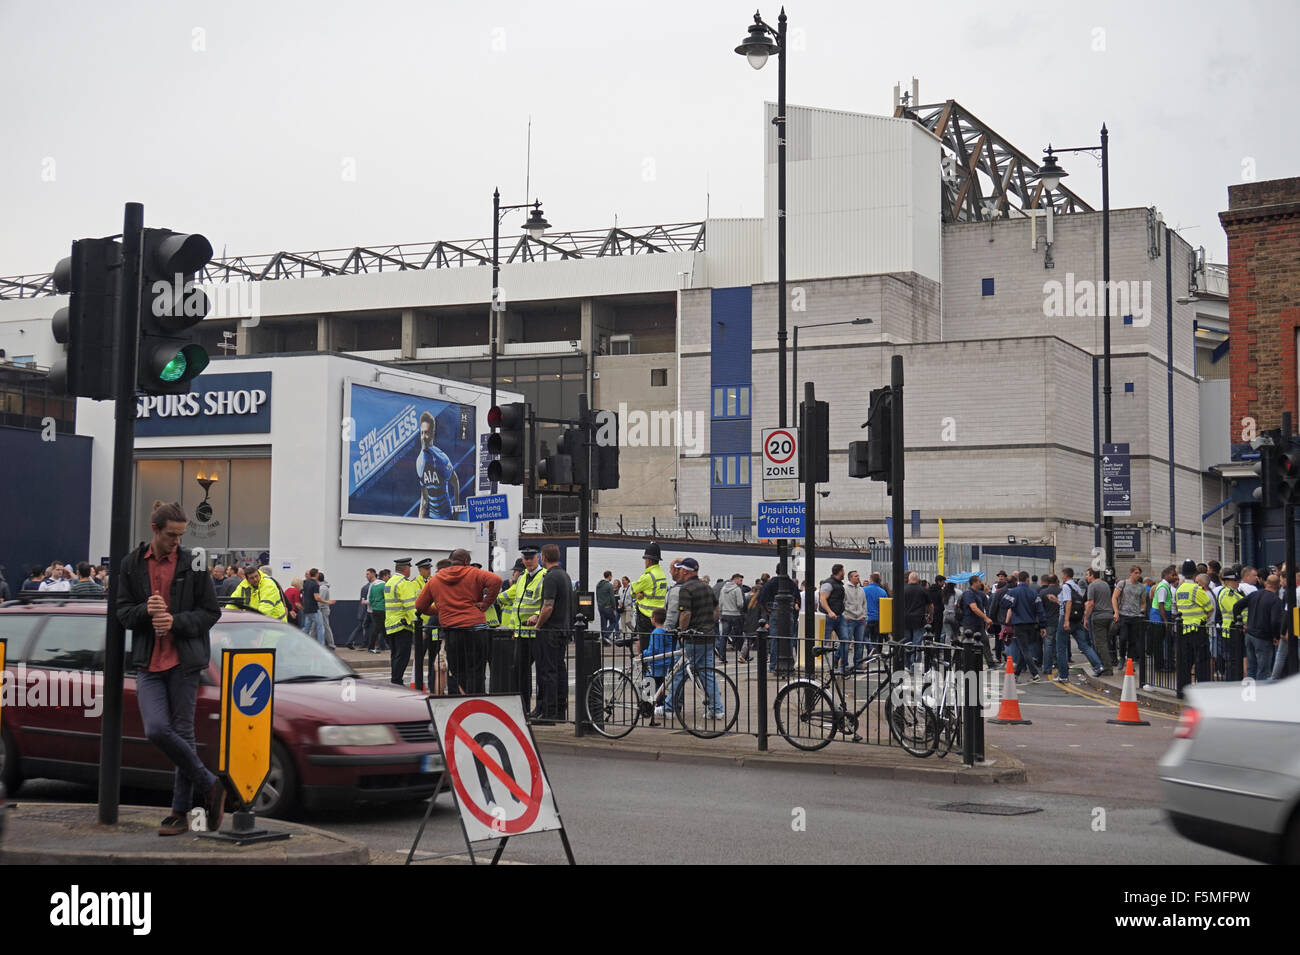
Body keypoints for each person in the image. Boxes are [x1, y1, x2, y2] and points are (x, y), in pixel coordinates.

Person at [116, 501, 225, 836]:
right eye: (171, 535)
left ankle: (180, 812)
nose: (177, 541)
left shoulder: (194, 562)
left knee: (183, 733)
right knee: (156, 729)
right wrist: (144, 611)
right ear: (155, 530)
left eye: (181, 535)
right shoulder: (132, 563)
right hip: (149, 661)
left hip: (184, 660)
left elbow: (211, 612)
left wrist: (175, 621)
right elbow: (122, 612)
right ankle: (210, 783)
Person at [415, 549, 501, 696]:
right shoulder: (473, 572)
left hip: (453, 630)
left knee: (457, 670)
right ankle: (477, 702)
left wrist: (442, 610)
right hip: (476, 628)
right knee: (476, 670)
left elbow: (420, 605)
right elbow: (496, 581)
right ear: (466, 561)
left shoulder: (435, 580)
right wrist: (486, 603)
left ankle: (466, 699)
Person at [666, 558, 723, 718]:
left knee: (679, 672)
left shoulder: (686, 588)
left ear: (685, 571)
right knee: (707, 673)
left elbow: (685, 613)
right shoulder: (707, 587)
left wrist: (682, 632)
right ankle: (717, 709)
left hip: (693, 638)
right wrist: (708, 622)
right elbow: (716, 608)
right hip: (709, 637)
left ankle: (670, 707)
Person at [529, 544, 572, 720]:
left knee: (547, 672)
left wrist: (538, 625)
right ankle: (559, 711)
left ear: (543, 557)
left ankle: (547, 712)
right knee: (559, 671)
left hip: (550, 631)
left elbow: (548, 606)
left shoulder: (551, 578)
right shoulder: (564, 575)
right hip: (562, 629)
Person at [511, 547, 547, 713]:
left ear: (538, 557)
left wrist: (537, 615)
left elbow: (548, 602)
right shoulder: (522, 577)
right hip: (520, 633)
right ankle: (523, 708)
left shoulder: (544, 576)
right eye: (525, 558)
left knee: (541, 673)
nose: (528, 561)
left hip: (536, 633)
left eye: (531, 557)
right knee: (520, 673)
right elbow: (513, 597)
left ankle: (541, 709)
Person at [1174, 562, 1214, 692]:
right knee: (1202, 661)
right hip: (1198, 629)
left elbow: (1177, 607)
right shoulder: (1196, 589)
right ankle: (1203, 691)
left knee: (1185, 662)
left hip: (1183, 629)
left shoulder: (1179, 589)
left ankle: (1183, 690)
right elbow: (1210, 607)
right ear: (1195, 573)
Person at [1058, 568, 1105, 679]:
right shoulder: (1077, 587)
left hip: (1067, 618)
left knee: (1061, 647)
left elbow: (1068, 602)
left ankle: (1063, 675)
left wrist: (1066, 620)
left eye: (1062, 575)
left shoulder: (1066, 586)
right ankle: (1098, 666)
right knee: (1084, 645)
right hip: (1077, 618)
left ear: (1065, 575)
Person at [416, 411, 460, 519]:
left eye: (426, 432)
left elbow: (455, 483)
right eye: (421, 433)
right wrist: (419, 520)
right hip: (432, 518)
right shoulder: (419, 461)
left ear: (432, 433)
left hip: (447, 517)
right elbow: (425, 496)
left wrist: (456, 514)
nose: (423, 437)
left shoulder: (441, 458)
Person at [383, 557, 421, 686]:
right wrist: (416, 623)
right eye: (410, 568)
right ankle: (397, 681)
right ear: (406, 568)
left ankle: (395, 680)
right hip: (402, 625)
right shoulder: (404, 583)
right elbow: (410, 606)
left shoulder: (389, 582)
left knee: (395, 655)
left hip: (390, 624)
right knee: (403, 656)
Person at [1237, 573, 1282, 681]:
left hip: (1249, 634)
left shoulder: (1254, 594)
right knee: (1263, 669)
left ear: (1267, 583)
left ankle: (1250, 693)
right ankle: (1260, 694)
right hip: (1263, 638)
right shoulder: (1275, 600)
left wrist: (1238, 622)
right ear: (1278, 585)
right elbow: (1275, 621)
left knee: (1251, 668)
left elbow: (1237, 606)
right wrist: (1276, 636)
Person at [1005, 571, 1045, 682]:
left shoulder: (1013, 592)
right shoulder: (1033, 593)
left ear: (1019, 580)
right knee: (1025, 649)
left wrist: (1013, 605)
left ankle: (1035, 673)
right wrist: (1042, 626)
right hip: (1031, 625)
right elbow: (1040, 611)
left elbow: (1004, 603)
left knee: (1025, 650)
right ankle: (1016, 674)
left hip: (1019, 624)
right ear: (1027, 580)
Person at [630, 542, 668, 654]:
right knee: (657, 645)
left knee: (645, 646)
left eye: (645, 559)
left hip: (645, 617)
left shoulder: (648, 577)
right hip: (658, 616)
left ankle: (646, 668)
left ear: (649, 561)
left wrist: (637, 594)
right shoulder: (662, 575)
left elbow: (632, 589)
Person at [1112, 564, 1148, 665]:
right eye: (1136, 573)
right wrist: (1116, 612)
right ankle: (1122, 657)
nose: (1137, 575)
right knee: (1123, 638)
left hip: (1135, 616)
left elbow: (1143, 601)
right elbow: (1114, 597)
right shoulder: (1122, 583)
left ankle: (1129, 662)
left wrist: (1142, 610)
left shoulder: (1141, 587)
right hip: (1123, 615)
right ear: (1131, 573)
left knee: (1133, 641)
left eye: (1139, 573)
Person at [1214, 567, 1245, 681]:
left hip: (1234, 630)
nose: (1238, 582)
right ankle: (1230, 685)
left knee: (1234, 662)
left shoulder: (1236, 592)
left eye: (1238, 580)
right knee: (1232, 662)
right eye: (1235, 581)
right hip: (1231, 631)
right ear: (1227, 581)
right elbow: (1234, 609)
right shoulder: (1228, 593)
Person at [642, 608, 672, 723]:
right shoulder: (665, 631)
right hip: (664, 664)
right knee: (660, 687)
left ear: (654, 619)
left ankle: (646, 708)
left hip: (655, 664)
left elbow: (654, 649)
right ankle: (660, 705)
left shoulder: (655, 633)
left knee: (648, 683)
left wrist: (643, 654)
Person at [1083, 568, 1116, 674]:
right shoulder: (1105, 584)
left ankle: (1107, 668)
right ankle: (1105, 664)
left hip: (1098, 617)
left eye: (1087, 575)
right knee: (1105, 642)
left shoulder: (1092, 586)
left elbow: (1091, 603)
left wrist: (1085, 618)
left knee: (1100, 644)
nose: (1086, 577)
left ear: (1092, 575)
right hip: (1109, 615)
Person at [959, 576, 997, 666]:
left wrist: (986, 619)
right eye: (979, 581)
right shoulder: (968, 594)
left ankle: (990, 663)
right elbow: (974, 608)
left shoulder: (981, 594)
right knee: (966, 643)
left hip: (979, 623)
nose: (981, 583)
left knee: (985, 641)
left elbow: (986, 607)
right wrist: (986, 618)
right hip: (969, 623)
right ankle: (960, 662)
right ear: (974, 583)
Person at [718, 573, 749, 661]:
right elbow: (740, 604)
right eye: (740, 580)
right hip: (735, 615)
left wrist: (721, 613)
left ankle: (722, 656)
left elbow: (720, 602)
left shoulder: (723, 589)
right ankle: (743, 655)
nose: (741, 582)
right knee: (739, 636)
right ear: (735, 579)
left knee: (724, 636)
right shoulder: (737, 589)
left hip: (725, 614)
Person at [842, 570, 868, 670]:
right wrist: (844, 615)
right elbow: (842, 603)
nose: (858, 577)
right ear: (850, 578)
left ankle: (858, 663)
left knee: (859, 643)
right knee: (846, 642)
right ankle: (842, 663)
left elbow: (864, 604)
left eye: (858, 575)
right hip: (849, 619)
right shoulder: (844, 589)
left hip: (860, 619)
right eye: (856, 576)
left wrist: (864, 616)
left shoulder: (861, 590)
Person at [348, 569, 378, 649]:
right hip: (367, 610)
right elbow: (364, 601)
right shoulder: (368, 587)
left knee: (363, 627)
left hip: (365, 610)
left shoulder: (366, 587)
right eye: (366, 574)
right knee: (366, 627)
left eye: (368, 574)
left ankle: (353, 642)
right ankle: (365, 643)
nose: (366, 576)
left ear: (373, 574)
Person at [367, 569, 390, 653]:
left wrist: (374, 605)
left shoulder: (373, 585)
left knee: (382, 628)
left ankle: (389, 644)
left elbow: (370, 598)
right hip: (382, 609)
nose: (389, 577)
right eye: (388, 576)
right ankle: (371, 646)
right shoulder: (385, 585)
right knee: (377, 628)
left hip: (375, 609)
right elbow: (387, 597)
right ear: (384, 576)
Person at [299, 569, 324, 645]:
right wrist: (327, 602)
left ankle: (297, 642)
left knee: (306, 628)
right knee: (320, 627)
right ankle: (321, 645)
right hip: (314, 609)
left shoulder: (305, 583)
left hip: (307, 609)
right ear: (316, 574)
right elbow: (317, 597)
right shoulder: (315, 584)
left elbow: (303, 594)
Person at [597, 570, 618, 644]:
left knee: (603, 624)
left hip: (600, 607)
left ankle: (604, 642)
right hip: (608, 607)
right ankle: (605, 636)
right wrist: (614, 609)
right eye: (611, 576)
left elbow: (597, 596)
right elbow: (612, 598)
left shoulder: (598, 585)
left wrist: (599, 605)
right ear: (609, 576)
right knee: (614, 622)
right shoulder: (609, 585)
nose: (611, 577)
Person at [316, 571, 336, 650]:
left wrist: (317, 607)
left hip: (322, 610)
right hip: (321, 609)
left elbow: (321, 600)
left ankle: (331, 644)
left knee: (325, 626)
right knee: (317, 627)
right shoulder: (322, 587)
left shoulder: (323, 588)